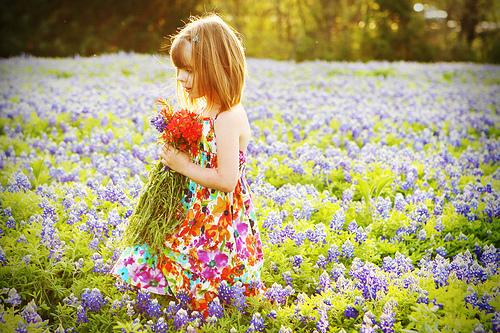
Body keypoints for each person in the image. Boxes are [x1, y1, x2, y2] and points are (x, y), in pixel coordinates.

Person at [110, 13, 265, 317]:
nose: (180, 78)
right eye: (179, 69)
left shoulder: (229, 116)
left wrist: (182, 165)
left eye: (189, 70)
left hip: (219, 220)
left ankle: (202, 305)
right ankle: (166, 303)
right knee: (157, 248)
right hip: (193, 209)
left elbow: (227, 179)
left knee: (208, 275)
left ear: (217, 67)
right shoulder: (203, 109)